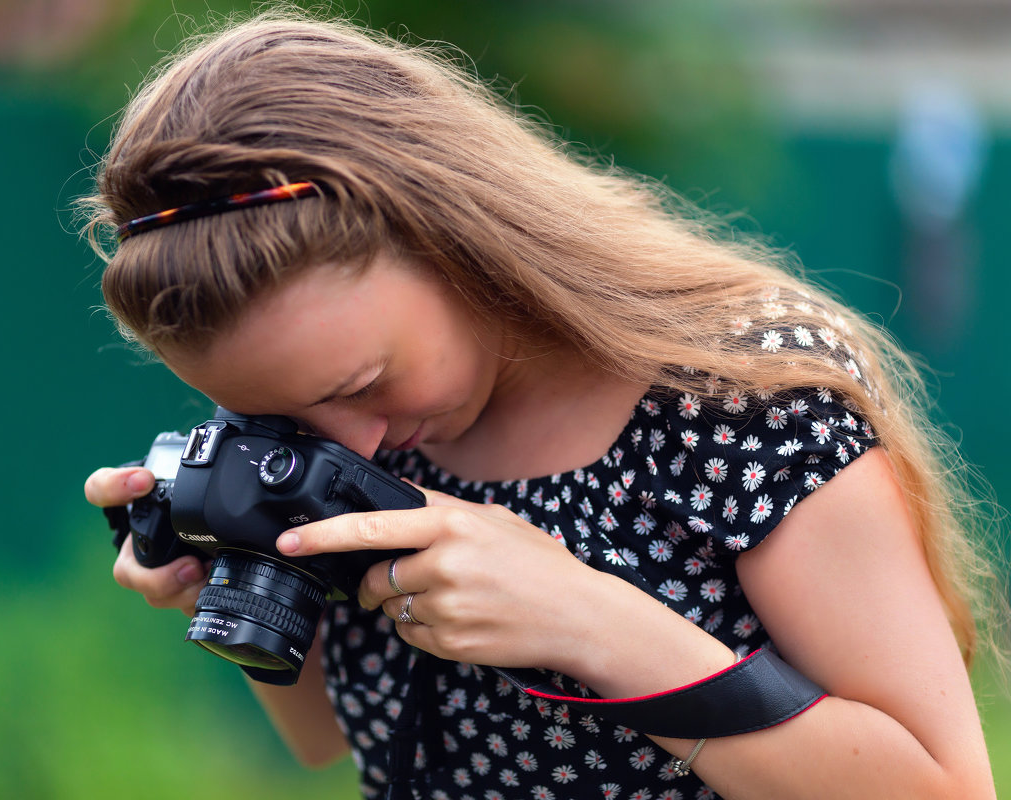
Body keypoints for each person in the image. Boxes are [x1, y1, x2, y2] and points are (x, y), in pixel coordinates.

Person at [80, 11, 1003, 799]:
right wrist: (226, 577)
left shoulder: (741, 398)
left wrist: (586, 621)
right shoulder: (351, 430)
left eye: (359, 385)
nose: (352, 443)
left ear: (450, 230)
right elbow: (324, 735)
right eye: (277, 422)